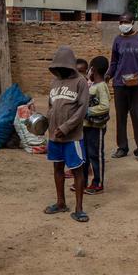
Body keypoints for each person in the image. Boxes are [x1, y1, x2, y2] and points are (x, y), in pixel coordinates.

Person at [45, 46, 90, 222]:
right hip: (54, 136)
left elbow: (82, 109)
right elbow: (51, 106)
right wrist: (47, 121)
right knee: (57, 168)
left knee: (77, 170)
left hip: (72, 137)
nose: (60, 70)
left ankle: (79, 209)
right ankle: (60, 202)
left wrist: (66, 127)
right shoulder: (54, 83)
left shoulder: (80, 82)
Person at [105, 12, 138, 160]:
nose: (122, 25)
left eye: (125, 22)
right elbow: (114, 62)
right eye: (121, 22)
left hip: (136, 84)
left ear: (132, 22)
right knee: (120, 117)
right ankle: (122, 147)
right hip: (119, 84)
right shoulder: (117, 40)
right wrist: (108, 75)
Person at [81, 56, 110, 195]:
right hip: (86, 126)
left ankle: (98, 183)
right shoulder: (91, 85)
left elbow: (105, 106)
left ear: (94, 69)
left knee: (96, 154)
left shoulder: (101, 86)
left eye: (90, 68)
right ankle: (83, 180)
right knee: (85, 154)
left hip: (96, 127)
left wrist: (88, 111)